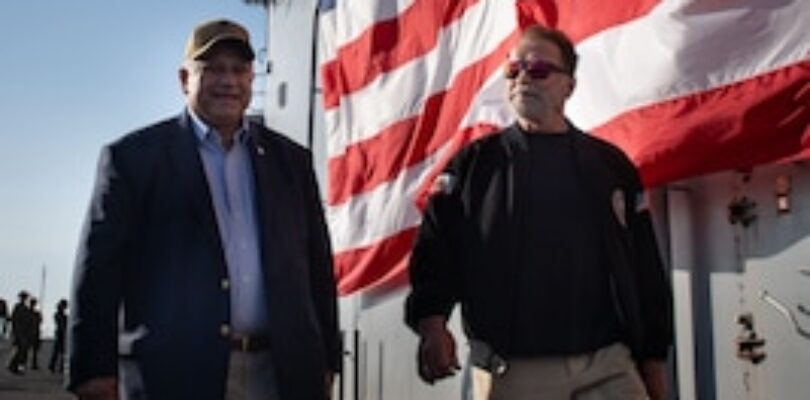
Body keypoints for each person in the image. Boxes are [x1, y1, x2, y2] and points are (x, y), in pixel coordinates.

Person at [68, 19, 340, 400]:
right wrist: (93, 371)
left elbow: (317, 269)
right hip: (174, 376)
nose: (228, 81)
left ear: (251, 77)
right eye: (212, 69)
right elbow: (98, 271)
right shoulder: (133, 160)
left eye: (239, 69)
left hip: (281, 374)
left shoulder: (291, 162)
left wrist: (327, 359)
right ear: (185, 79)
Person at [405, 25, 673, 400]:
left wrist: (654, 362)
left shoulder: (611, 167)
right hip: (514, 370)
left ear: (569, 86)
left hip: (608, 363)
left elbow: (645, 268)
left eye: (539, 71)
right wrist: (432, 323)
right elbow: (436, 249)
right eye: (513, 71)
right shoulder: (474, 166)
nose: (523, 79)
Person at [7, 291, 33, 375]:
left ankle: (15, 366)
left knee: (22, 350)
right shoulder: (18, 307)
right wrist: (17, 331)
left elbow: (29, 321)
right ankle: (13, 366)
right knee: (20, 349)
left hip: (24, 332)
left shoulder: (25, 308)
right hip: (19, 331)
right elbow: (14, 320)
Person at [49, 299, 68, 373]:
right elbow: (61, 324)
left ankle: (58, 367)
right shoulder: (58, 314)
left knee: (60, 352)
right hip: (60, 333)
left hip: (61, 333)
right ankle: (53, 366)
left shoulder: (63, 315)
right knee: (58, 351)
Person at [27, 297, 42, 370]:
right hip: (29, 333)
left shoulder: (36, 313)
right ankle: (26, 364)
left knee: (35, 351)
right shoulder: (28, 312)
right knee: (26, 350)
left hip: (35, 332)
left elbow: (39, 321)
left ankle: (34, 364)